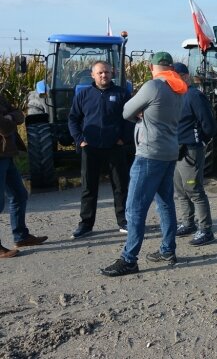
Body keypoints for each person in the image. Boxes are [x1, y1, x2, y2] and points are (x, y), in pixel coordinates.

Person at [100, 52, 188, 277]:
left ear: (152, 67)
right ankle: (168, 250)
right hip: (169, 152)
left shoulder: (153, 86)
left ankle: (129, 259)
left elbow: (126, 111)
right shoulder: (178, 88)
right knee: (165, 203)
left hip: (149, 153)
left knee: (135, 208)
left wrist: (140, 115)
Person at [68, 61, 132, 238]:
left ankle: (124, 220)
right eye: (100, 73)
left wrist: (123, 139)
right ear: (93, 75)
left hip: (114, 147)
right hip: (91, 148)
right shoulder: (84, 95)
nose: (104, 75)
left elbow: (129, 118)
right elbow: (73, 119)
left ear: (112, 73)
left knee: (120, 186)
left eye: (107, 72)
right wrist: (80, 140)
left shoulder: (122, 93)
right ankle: (86, 224)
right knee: (89, 187)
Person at [172, 63, 217, 246]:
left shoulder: (194, 96)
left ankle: (205, 229)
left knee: (194, 190)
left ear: (184, 76)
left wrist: (200, 141)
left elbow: (209, 125)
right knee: (180, 190)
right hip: (175, 150)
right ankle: (188, 223)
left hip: (191, 149)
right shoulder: (174, 96)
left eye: (175, 76)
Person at [1, 89, 47, 258]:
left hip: (7, 154)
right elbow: (4, 128)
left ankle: (21, 236)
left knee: (19, 195)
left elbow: (20, 114)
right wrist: (10, 118)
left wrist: (11, 116)